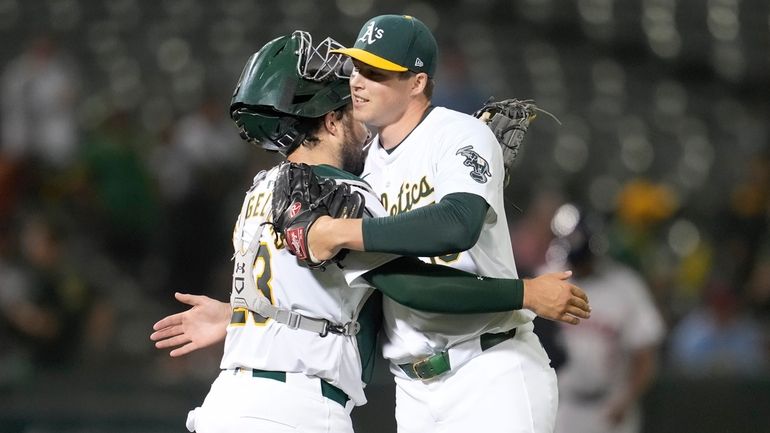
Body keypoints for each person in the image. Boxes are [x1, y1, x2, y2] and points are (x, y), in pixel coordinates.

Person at [152, 31, 589, 433]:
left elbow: (310, 297)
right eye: (350, 112)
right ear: (328, 121)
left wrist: (239, 317)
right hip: (297, 409)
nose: (362, 121)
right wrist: (525, 294)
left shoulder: (262, 189)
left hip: (229, 402)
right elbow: (412, 287)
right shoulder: (342, 195)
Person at [297, 14, 570, 433]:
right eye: (356, 68)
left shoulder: (459, 134)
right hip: (412, 390)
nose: (357, 81)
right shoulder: (361, 172)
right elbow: (390, 285)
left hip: (490, 368)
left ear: (417, 82)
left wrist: (345, 232)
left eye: (376, 72)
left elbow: (457, 223)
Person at [545, 204, 665, 433]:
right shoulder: (547, 279)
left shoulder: (626, 286)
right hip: (561, 405)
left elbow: (646, 355)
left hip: (610, 406)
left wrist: (627, 400)